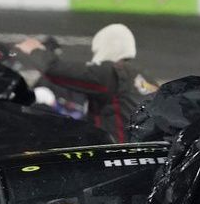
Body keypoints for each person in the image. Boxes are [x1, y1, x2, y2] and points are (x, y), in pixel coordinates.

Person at [15, 24, 157, 143]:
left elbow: (54, 69)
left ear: (105, 47)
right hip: (148, 158)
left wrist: (34, 50)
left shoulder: (110, 73)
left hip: (117, 156)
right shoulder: (147, 79)